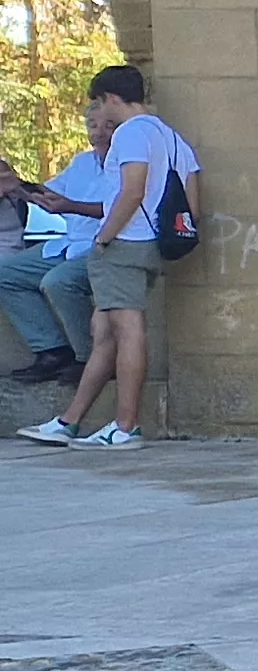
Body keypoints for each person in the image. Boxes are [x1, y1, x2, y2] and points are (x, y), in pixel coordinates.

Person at [21, 68, 196, 451]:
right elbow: (191, 202)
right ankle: (68, 422)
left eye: (100, 102)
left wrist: (104, 236)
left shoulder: (132, 134)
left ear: (112, 98)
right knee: (104, 335)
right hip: (152, 244)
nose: (100, 111)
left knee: (128, 330)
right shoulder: (174, 139)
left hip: (124, 244)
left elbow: (131, 192)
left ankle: (126, 426)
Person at [0, 97, 115, 384]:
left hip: (106, 246)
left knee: (58, 282)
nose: (99, 132)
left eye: (108, 125)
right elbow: (49, 195)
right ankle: (51, 351)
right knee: (6, 273)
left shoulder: (128, 164)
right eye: (93, 125)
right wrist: (17, 186)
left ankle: (92, 359)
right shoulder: (82, 162)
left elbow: (122, 207)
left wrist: (71, 206)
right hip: (69, 244)